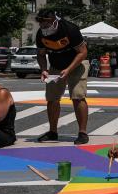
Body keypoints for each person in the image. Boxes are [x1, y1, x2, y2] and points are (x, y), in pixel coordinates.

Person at [35, 8, 90, 145]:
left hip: (77, 64)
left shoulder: (70, 29)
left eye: (46, 25)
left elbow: (83, 52)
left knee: (78, 96)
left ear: (54, 21)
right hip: (56, 66)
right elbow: (41, 54)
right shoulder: (40, 35)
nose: (44, 27)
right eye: (41, 25)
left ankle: (82, 133)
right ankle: (53, 132)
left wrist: (68, 69)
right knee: (52, 98)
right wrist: (44, 70)